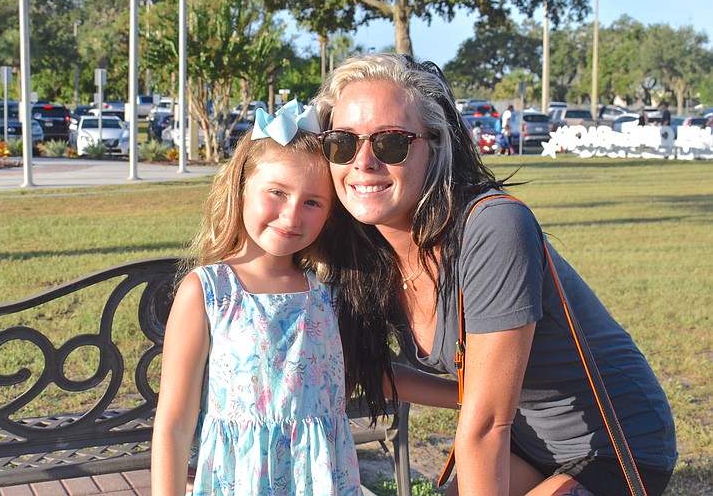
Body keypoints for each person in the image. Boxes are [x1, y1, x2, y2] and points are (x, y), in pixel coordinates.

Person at [313, 53, 677, 496]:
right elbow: (369, 371)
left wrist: (477, 405)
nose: (363, 162)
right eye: (342, 143)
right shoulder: (363, 252)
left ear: (436, 146)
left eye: (391, 143)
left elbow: (485, 426)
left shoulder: (493, 227)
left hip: (614, 446)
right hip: (524, 443)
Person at [151, 100, 363, 495]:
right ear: (242, 187)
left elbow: (369, 373)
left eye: (313, 202)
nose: (292, 215)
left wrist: (464, 395)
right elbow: (174, 424)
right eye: (277, 192)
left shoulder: (328, 292)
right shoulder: (209, 293)